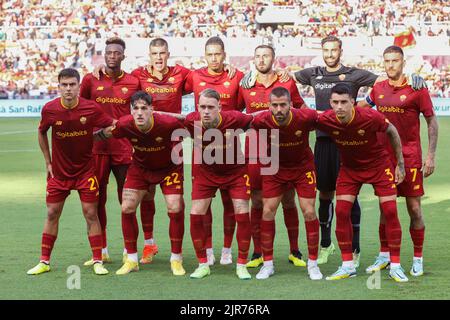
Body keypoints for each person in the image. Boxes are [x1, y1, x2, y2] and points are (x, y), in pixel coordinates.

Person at [241, 35, 427, 268]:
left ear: (341, 50)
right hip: (323, 142)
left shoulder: (354, 74)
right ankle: (326, 245)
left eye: (334, 50)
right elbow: (282, 75)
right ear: (322, 51)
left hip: (348, 144)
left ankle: (355, 249)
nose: (330, 54)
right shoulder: (313, 73)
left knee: (351, 196)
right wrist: (250, 74)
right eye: (326, 50)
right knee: (325, 195)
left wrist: (413, 78)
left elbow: (385, 78)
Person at [358, 45, 438, 277]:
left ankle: (418, 258)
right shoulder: (378, 88)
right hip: (383, 159)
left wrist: (431, 155)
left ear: (403, 62)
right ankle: (384, 256)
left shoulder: (416, 88)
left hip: (411, 158)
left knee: (414, 209)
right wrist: (332, 109)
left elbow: (432, 122)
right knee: (385, 208)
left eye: (395, 60)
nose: (391, 65)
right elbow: (362, 106)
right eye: (387, 61)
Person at [316, 83, 409, 282]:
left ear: (353, 103)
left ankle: (395, 265)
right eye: (335, 102)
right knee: (341, 212)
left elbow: (391, 130)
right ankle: (348, 265)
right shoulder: (327, 119)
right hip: (350, 169)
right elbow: (302, 118)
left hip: (378, 165)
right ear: (330, 103)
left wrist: (400, 164)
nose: (339, 107)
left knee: (390, 211)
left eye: (344, 102)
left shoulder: (370, 117)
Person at [27, 68, 114, 276]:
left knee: (91, 213)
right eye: (64, 85)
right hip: (59, 173)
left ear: (78, 86)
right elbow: (41, 132)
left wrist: (98, 136)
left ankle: (97, 261)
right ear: (59, 87)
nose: (68, 89)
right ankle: (44, 261)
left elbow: (112, 126)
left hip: (85, 172)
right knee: (51, 213)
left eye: (72, 85)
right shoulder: (50, 109)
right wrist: (48, 162)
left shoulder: (90, 108)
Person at [95, 91, 186, 276]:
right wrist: (82, 136)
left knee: (175, 207)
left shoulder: (168, 123)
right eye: (135, 108)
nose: (139, 112)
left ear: (152, 109)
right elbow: (105, 134)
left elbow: (192, 127)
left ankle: (176, 259)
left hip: (170, 168)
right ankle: (132, 259)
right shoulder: (125, 124)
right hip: (140, 169)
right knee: (127, 207)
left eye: (144, 108)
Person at [169, 88, 254, 279]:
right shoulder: (192, 120)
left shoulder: (235, 118)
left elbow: (257, 117)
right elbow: (174, 117)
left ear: (219, 107)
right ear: (197, 107)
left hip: (235, 173)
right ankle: (202, 264)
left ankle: (241, 264)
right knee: (196, 214)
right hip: (206, 174)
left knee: (241, 212)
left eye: (210, 107)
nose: (206, 111)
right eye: (203, 107)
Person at [238, 45, 308, 269]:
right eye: (257, 56)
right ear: (253, 60)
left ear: (273, 59)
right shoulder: (245, 84)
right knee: (257, 201)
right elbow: (232, 110)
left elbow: (302, 110)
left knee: (288, 200)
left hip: (283, 153)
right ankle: (258, 252)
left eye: (265, 56)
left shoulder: (286, 83)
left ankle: (294, 250)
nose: (261, 60)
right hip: (255, 153)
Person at [184, 36, 244, 266]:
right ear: (204, 55)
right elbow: (165, 82)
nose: (214, 58)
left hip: (230, 150)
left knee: (231, 204)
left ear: (224, 54)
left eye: (218, 54)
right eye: (209, 54)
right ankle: (207, 249)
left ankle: (227, 249)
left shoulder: (237, 76)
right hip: (202, 152)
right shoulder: (194, 76)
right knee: (203, 204)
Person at [80, 37, 140, 266]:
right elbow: (80, 109)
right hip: (97, 149)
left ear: (123, 56)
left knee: (127, 201)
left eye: (117, 53)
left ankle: (129, 250)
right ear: (104, 55)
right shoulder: (90, 80)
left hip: (124, 148)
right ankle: (101, 249)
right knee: (96, 201)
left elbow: (141, 109)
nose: (112, 56)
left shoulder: (134, 82)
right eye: (109, 52)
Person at [251, 87, 322, 280]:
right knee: (267, 210)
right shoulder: (260, 120)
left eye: (283, 105)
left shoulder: (305, 117)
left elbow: (328, 118)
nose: (279, 109)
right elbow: (234, 121)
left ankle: (313, 263)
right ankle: (267, 264)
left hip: (303, 168)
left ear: (291, 104)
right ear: (269, 106)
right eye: (275, 105)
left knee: (308, 210)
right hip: (275, 168)